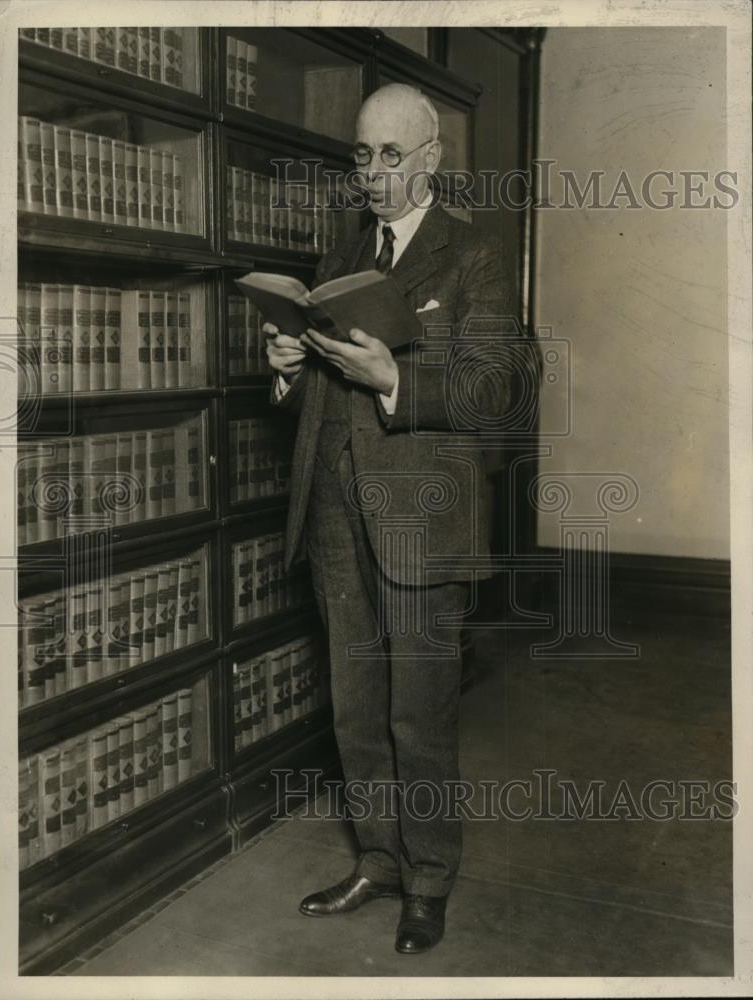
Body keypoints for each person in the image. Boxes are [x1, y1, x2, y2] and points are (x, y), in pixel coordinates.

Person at [266, 82, 517, 954]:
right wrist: (290, 365)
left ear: (431, 161)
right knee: (356, 708)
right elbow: (316, 392)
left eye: (390, 155)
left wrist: (394, 380)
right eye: (361, 154)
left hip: (422, 522)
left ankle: (429, 881)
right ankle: (377, 859)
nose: (371, 173)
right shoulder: (345, 249)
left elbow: (499, 391)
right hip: (335, 514)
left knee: (421, 714)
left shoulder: (473, 255)